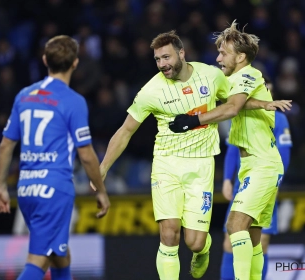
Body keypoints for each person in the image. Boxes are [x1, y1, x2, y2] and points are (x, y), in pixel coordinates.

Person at [95, 30, 283, 280]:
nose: (162, 64)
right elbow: (125, 130)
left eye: (166, 57)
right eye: (157, 60)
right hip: (166, 165)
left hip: (201, 167)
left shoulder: (211, 75)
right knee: (169, 232)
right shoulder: (152, 91)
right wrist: (102, 168)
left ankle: (203, 250)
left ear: (181, 53)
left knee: (194, 241)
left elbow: (235, 102)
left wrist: (263, 102)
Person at [168, 21, 291, 280]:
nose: (218, 58)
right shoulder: (239, 82)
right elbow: (242, 104)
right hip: (254, 166)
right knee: (254, 237)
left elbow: (233, 108)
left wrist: (193, 120)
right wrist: (266, 104)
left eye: (223, 53)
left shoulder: (247, 74)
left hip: (262, 165)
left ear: (241, 57)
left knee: (235, 226)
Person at [0, 35, 110, 280]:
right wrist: (100, 190)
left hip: (26, 189)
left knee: (59, 255)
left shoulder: (23, 95)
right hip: (54, 190)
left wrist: (1, 185)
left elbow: (6, 144)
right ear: (75, 63)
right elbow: (86, 155)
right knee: (38, 261)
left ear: (45, 60)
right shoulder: (74, 101)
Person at [219, 77, 292, 280]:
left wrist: (275, 182)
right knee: (230, 241)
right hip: (242, 185)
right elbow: (233, 150)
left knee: (261, 242)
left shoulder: (279, 119)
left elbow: (284, 154)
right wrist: (227, 179)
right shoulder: (241, 117)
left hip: (265, 184)